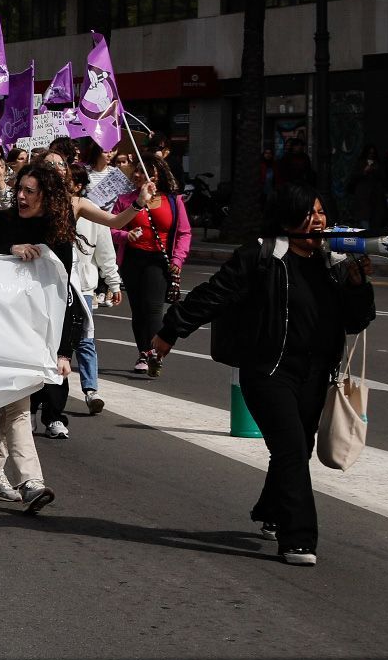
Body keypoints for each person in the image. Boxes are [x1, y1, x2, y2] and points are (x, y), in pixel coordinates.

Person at [155, 186, 375, 567]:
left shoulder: (334, 264)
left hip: (314, 374)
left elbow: (357, 321)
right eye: (308, 212)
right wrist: (169, 331)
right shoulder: (262, 256)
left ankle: (271, 511)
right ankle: (299, 539)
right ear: (287, 219)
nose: (317, 220)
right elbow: (213, 295)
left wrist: (358, 283)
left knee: (298, 447)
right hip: (268, 372)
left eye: (321, 213)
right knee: (290, 447)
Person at [0, 162, 87, 513]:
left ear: (46, 196)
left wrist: (64, 350)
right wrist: (10, 251)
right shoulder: (3, 223)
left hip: (37, 331)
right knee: (19, 405)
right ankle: (32, 482)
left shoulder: (59, 230)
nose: (20, 196)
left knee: (15, 402)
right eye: (19, 189)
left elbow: (62, 292)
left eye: (29, 191)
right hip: (2, 327)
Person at [115, 152, 191, 378]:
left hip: (159, 261)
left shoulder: (174, 201)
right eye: (136, 170)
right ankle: (142, 352)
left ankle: (154, 353)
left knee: (154, 308)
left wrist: (177, 259)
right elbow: (110, 228)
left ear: (157, 175)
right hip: (132, 260)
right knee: (138, 310)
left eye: (144, 170)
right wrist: (125, 236)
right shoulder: (126, 201)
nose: (137, 174)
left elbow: (185, 233)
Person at [68, 165, 122, 420]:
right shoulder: (45, 208)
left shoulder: (92, 212)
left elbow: (104, 251)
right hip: (52, 287)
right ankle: (46, 397)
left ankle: (91, 391)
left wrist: (113, 282)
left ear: (78, 186)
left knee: (85, 340)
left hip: (84, 288)